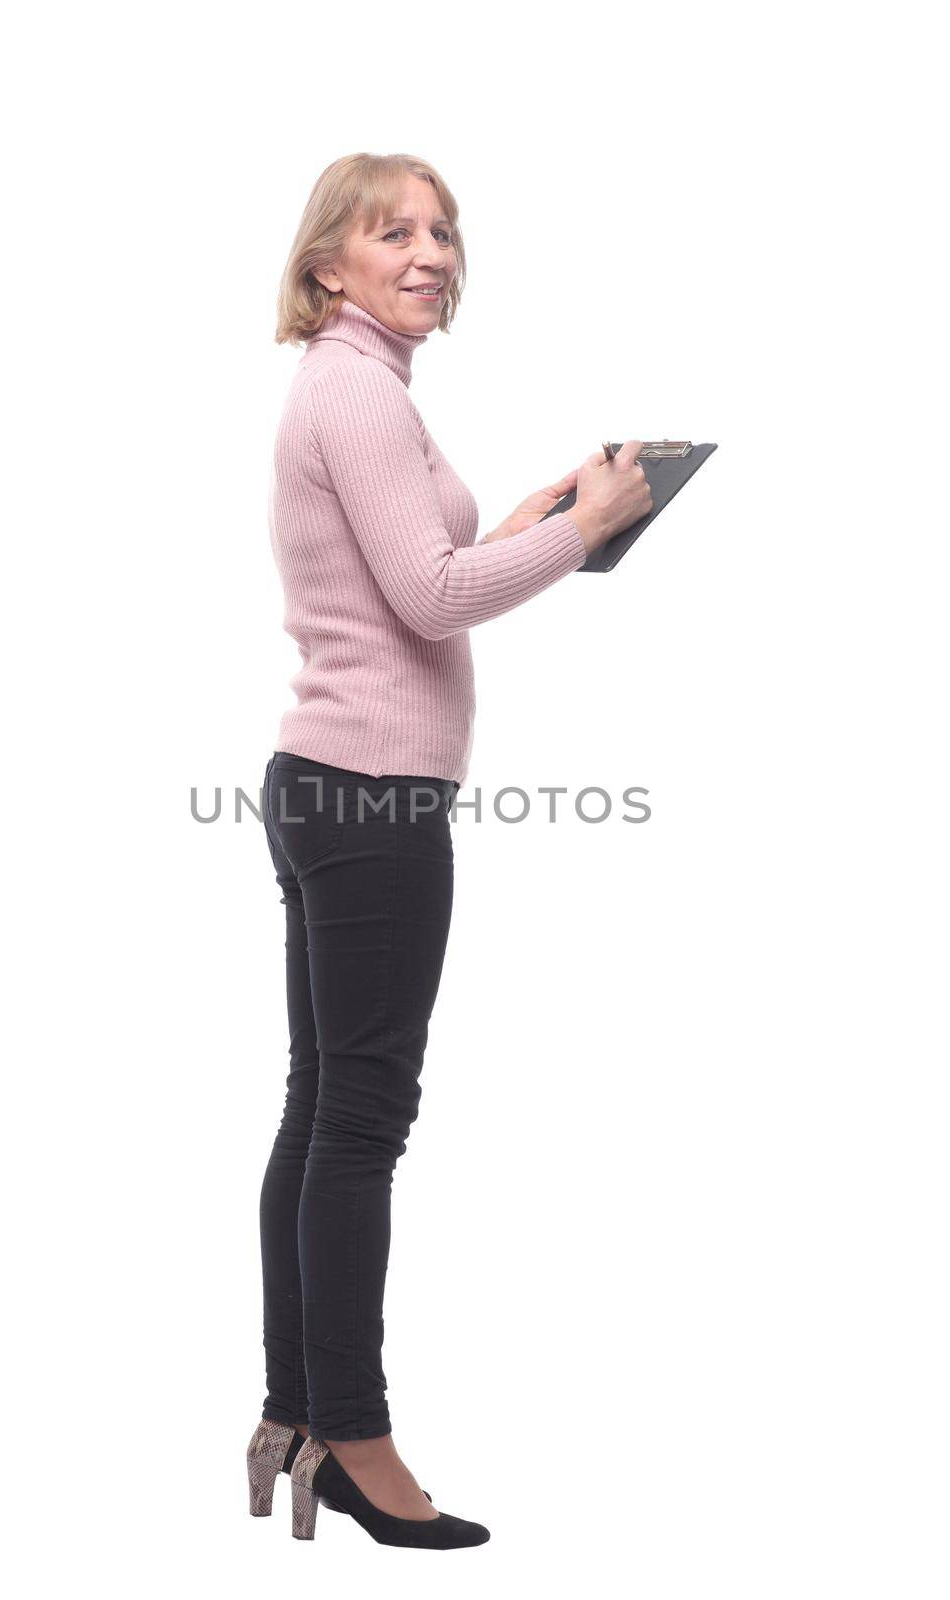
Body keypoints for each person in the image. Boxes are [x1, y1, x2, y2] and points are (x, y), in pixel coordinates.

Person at [246, 152, 652, 1549]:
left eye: (443, 230)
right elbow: (427, 598)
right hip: (371, 794)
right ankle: (356, 1442)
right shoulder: (355, 388)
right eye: (392, 232)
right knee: (360, 1124)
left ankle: (296, 1412)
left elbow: (415, 561)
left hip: (330, 779)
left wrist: (542, 522)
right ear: (328, 269)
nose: (430, 252)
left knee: (322, 1112)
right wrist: (586, 534)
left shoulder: (358, 389)